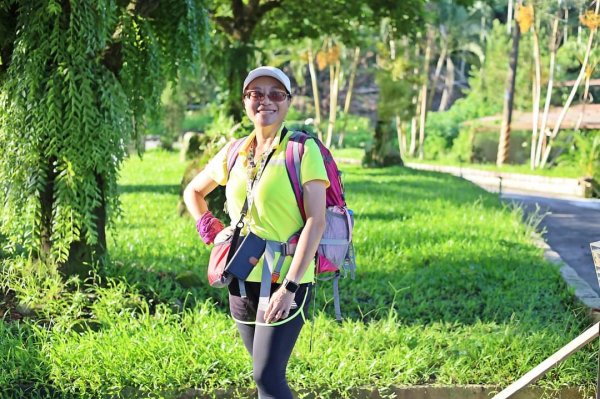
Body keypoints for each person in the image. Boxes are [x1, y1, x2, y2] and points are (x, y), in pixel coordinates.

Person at [183, 66, 329, 399]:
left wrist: (290, 288)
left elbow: (316, 221)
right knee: (261, 376)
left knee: (268, 377)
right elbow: (194, 192)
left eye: (276, 94)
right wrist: (211, 230)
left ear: (288, 102)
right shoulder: (235, 151)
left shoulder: (303, 151)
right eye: (256, 94)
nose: (266, 101)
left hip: (286, 278)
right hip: (241, 274)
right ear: (245, 101)